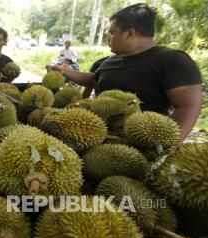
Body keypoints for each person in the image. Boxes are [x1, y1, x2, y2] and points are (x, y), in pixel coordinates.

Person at [47, 3, 202, 141]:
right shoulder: (111, 60)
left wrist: (165, 148)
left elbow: (188, 106)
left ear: (129, 34)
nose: (109, 38)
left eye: (112, 33)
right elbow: (93, 80)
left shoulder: (173, 60)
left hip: (138, 144)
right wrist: (63, 71)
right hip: (97, 136)